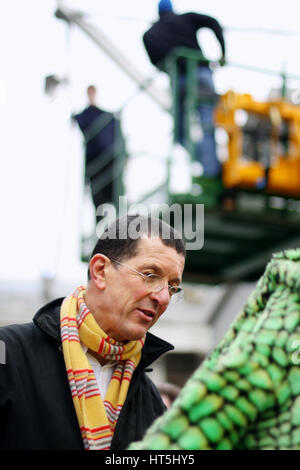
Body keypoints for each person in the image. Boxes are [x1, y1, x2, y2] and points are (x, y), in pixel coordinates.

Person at [0, 215, 186, 450]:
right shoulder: (9, 355)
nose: (163, 297)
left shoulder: (151, 401)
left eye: (172, 287)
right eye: (150, 276)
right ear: (100, 270)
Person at [143, 0, 226, 177]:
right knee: (207, 126)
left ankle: (206, 163)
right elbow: (213, 22)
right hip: (201, 75)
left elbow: (155, 60)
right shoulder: (185, 19)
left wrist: (171, 65)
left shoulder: (151, 34)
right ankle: (211, 168)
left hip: (178, 83)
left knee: (180, 133)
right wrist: (223, 52)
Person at [73, 85, 120, 216]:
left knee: (114, 196)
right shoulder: (86, 116)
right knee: (99, 202)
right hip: (95, 163)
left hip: (108, 161)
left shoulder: (107, 117)